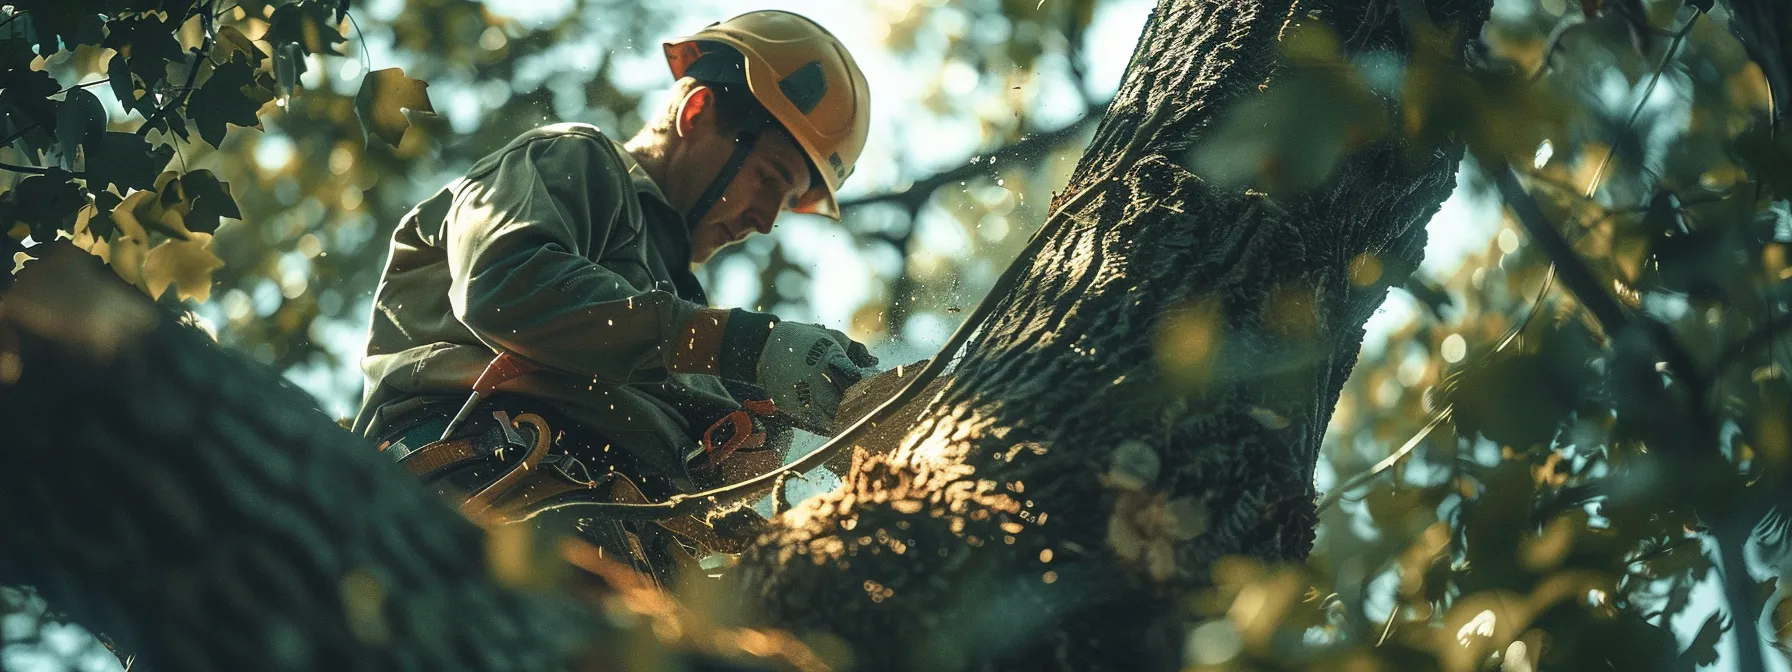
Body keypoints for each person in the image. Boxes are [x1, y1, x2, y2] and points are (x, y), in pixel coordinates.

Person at [350, 10, 876, 585]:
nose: (767, 219)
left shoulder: (674, 300)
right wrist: (745, 344)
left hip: (613, 542)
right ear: (696, 112)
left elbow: (676, 416)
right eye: (769, 178)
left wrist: (768, 427)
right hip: (486, 484)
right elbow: (504, 283)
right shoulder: (578, 163)